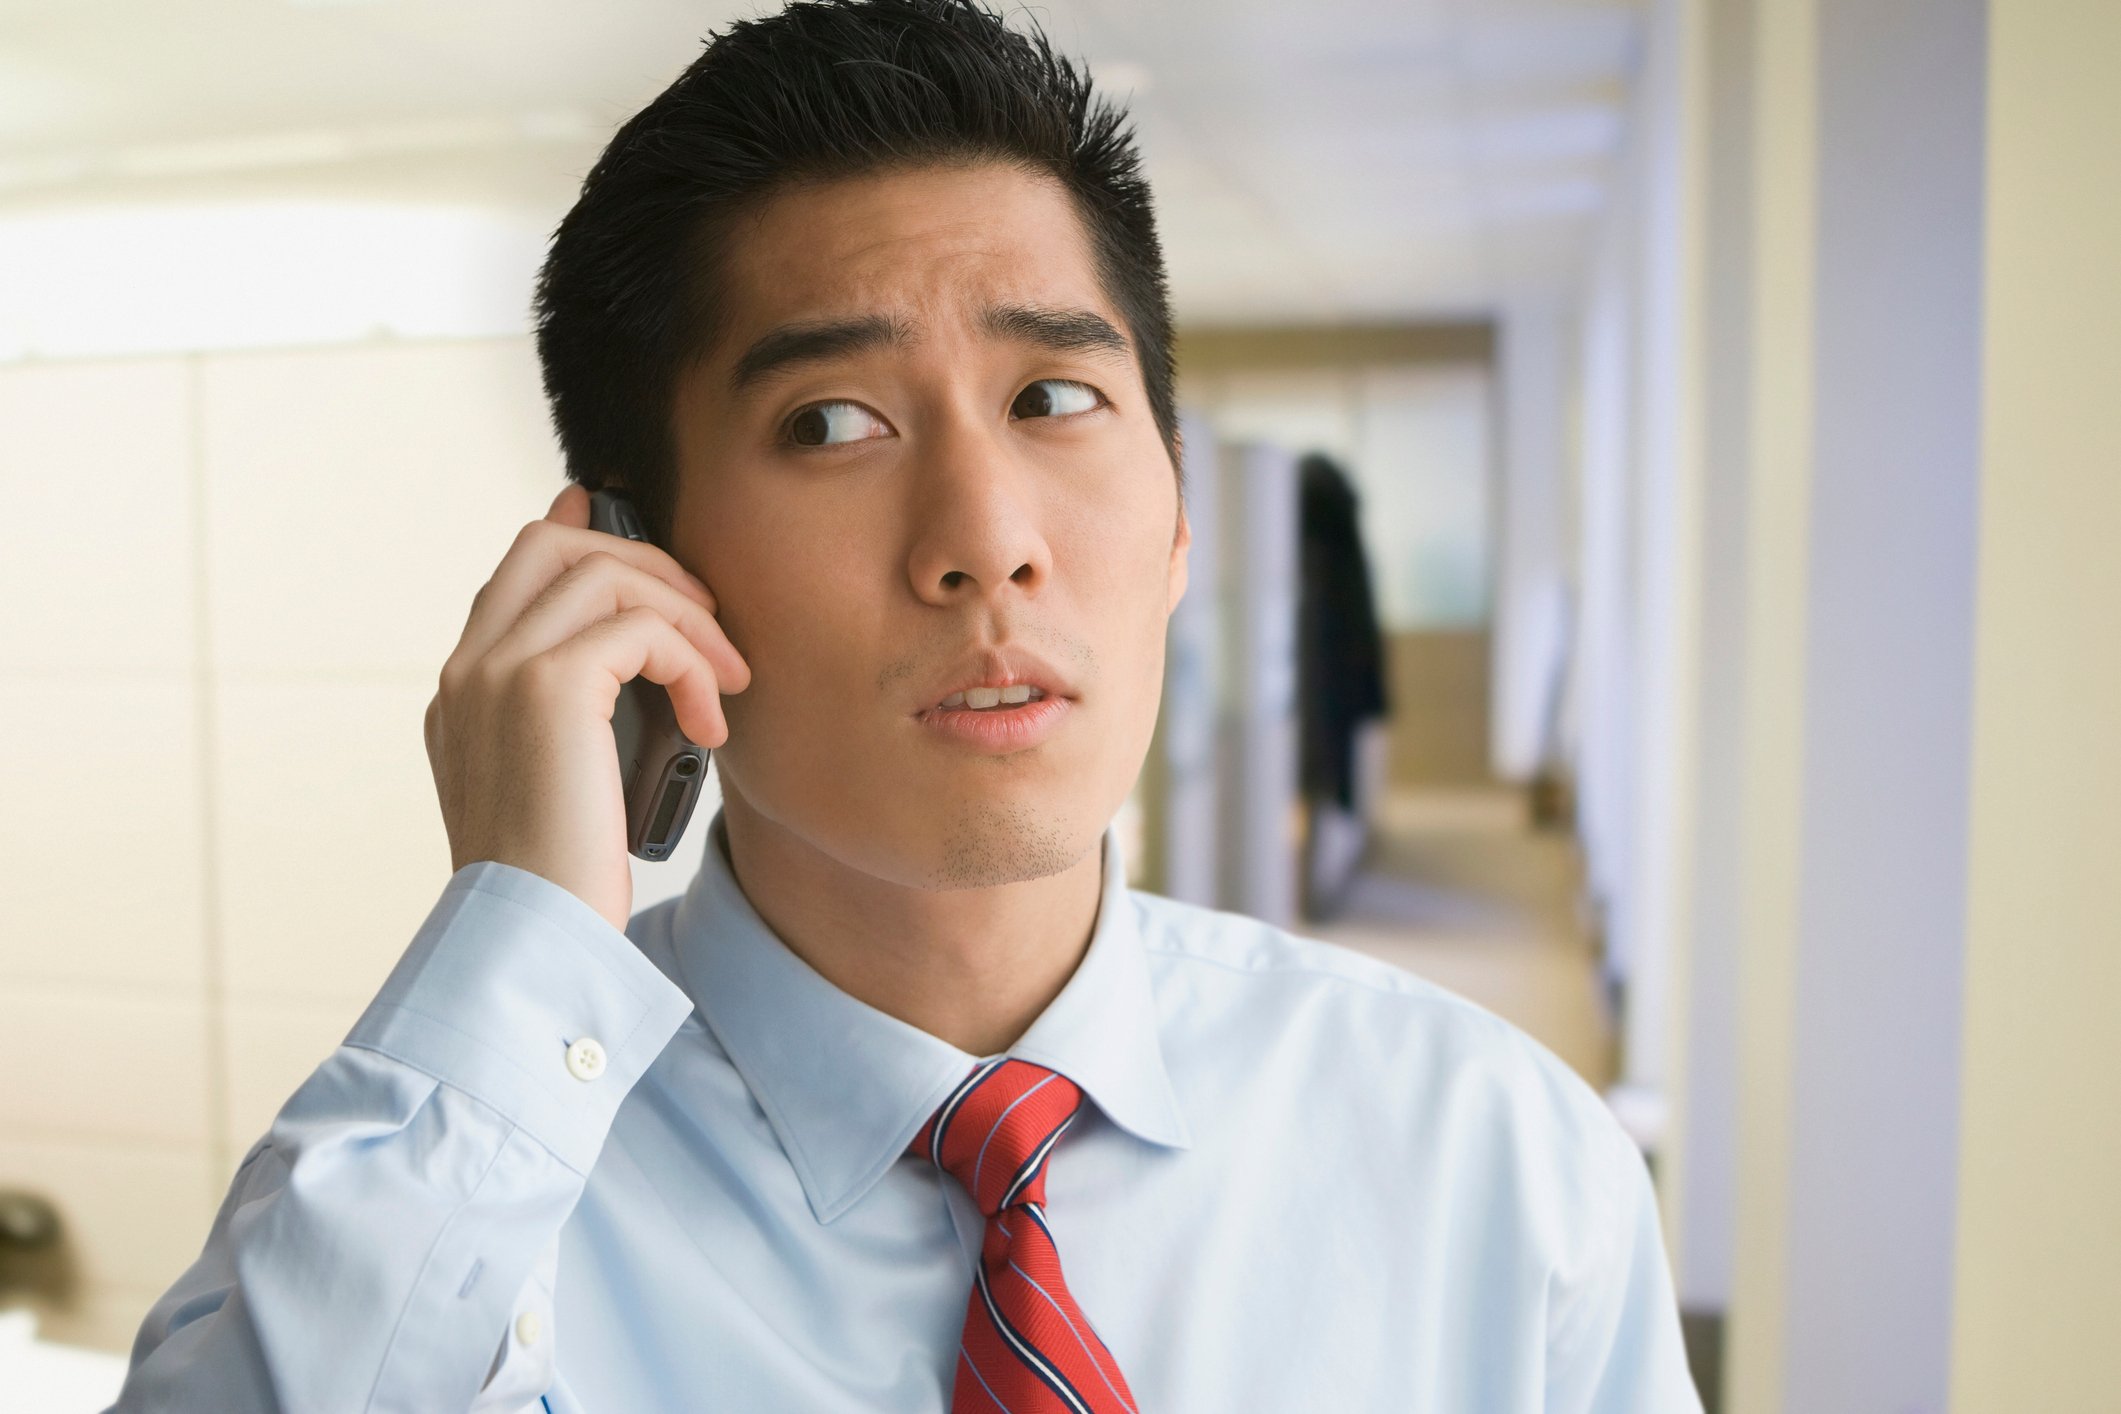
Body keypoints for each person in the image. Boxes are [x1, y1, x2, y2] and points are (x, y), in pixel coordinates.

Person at [115, 1, 1702, 1409]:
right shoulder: (473, 1185)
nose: (986, 541)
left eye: (1053, 398)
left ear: (1172, 532)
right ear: (633, 566)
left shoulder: (1500, 1164)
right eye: (831, 421)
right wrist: (520, 925)